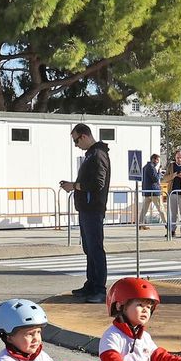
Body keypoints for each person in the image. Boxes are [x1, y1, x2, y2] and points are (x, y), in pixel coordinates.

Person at [59, 124, 110, 303]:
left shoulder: (98, 155)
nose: (75, 145)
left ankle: (99, 289)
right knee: (89, 248)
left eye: (75, 140)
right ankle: (92, 284)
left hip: (93, 209)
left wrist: (74, 186)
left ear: (84, 136)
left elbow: (98, 183)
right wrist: (74, 185)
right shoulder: (92, 155)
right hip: (87, 209)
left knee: (95, 248)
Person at [138, 153, 164, 229]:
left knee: (144, 210)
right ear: (153, 159)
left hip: (147, 191)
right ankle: (167, 224)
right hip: (154, 192)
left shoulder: (144, 167)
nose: (157, 162)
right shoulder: (151, 167)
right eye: (157, 160)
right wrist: (159, 172)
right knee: (161, 209)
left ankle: (140, 224)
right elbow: (155, 179)